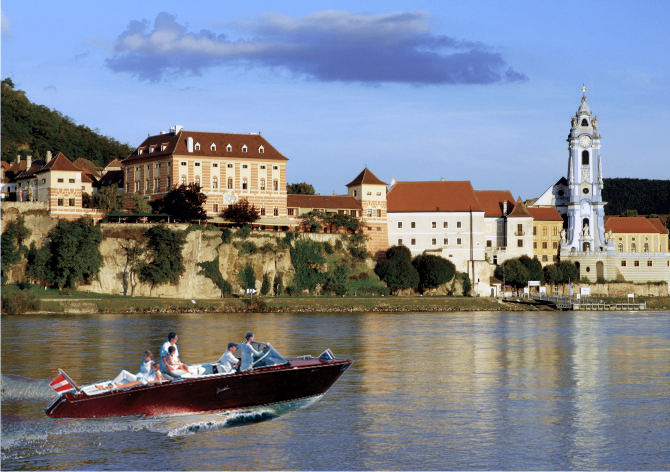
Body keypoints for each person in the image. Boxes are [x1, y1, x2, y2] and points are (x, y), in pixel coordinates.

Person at [97, 354, 163, 390]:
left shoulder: (152, 363)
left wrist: (163, 378)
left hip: (141, 379)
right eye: (143, 355)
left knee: (124, 372)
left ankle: (112, 386)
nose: (143, 357)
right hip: (137, 377)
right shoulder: (144, 362)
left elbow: (158, 372)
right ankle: (105, 387)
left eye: (145, 356)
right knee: (122, 381)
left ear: (150, 356)